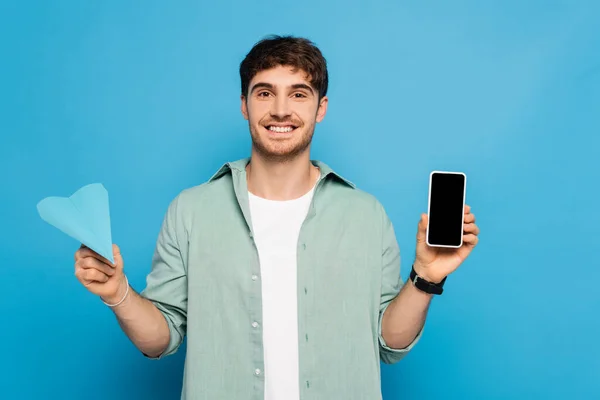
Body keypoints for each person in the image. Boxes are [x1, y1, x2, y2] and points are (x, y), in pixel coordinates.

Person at [73, 35, 480, 400]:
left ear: (320, 108)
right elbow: (160, 339)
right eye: (264, 93)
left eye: (299, 94)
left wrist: (426, 276)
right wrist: (119, 294)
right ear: (244, 105)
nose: (281, 110)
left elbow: (389, 342)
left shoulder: (366, 214)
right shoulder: (191, 209)